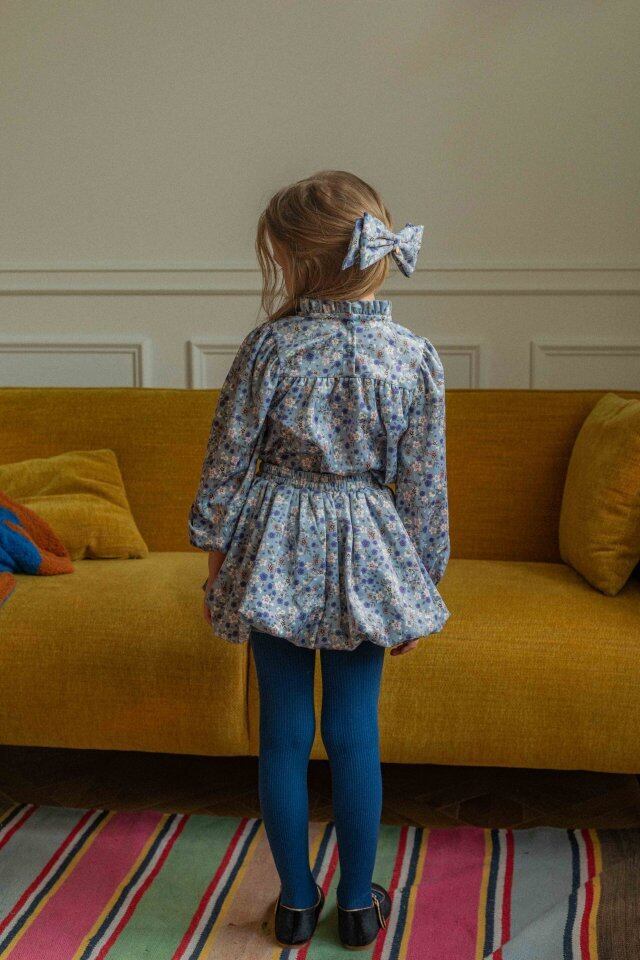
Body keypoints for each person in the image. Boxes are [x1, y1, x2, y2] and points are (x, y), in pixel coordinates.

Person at [188, 170, 451, 950]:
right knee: (353, 730)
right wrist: (419, 586)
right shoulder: (414, 355)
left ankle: (296, 905)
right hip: (370, 551)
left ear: (298, 261)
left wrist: (214, 553)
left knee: (282, 732)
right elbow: (424, 487)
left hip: (273, 543)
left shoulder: (269, 347)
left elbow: (226, 462)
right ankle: (359, 907)